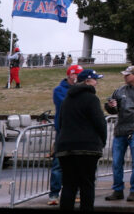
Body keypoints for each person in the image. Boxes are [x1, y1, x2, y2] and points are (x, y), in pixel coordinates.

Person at [55, 68, 107, 211]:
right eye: (95, 80)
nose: (97, 83)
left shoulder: (67, 99)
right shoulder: (91, 99)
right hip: (87, 147)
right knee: (87, 185)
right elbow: (100, 123)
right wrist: (102, 141)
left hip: (66, 147)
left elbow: (60, 122)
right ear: (87, 81)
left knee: (69, 185)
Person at [104, 65, 134, 202]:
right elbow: (112, 110)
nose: (124, 77)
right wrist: (110, 106)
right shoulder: (120, 90)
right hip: (120, 130)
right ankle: (117, 189)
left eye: (127, 74)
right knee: (116, 162)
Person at [48, 64, 84, 205]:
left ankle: (75, 192)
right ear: (70, 75)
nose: (78, 78)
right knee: (58, 164)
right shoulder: (59, 90)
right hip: (63, 132)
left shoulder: (82, 90)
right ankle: (54, 194)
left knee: (77, 164)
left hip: (78, 132)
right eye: (76, 74)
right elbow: (67, 106)